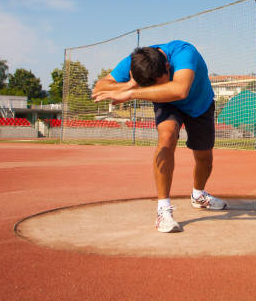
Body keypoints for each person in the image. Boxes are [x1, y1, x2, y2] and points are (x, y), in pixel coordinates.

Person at [92, 40, 227, 233]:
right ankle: (163, 209)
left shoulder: (184, 53)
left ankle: (198, 195)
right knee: (167, 137)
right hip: (167, 103)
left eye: (159, 81)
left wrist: (130, 93)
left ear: (167, 66)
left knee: (204, 156)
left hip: (199, 104)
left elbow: (179, 90)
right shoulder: (136, 62)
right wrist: (130, 83)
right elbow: (99, 88)